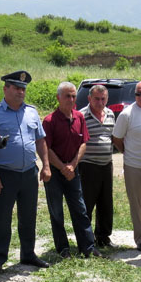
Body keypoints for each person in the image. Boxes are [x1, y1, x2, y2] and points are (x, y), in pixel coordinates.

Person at [0, 70, 51, 274]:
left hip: (29, 172)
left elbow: (40, 140)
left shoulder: (31, 112)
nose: (21, 92)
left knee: (28, 216)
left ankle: (28, 254)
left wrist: (45, 165)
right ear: (5, 89)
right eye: (17, 88)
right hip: (4, 174)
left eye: (23, 89)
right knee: (2, 218)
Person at [43, 82, 101, 259]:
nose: (71, 99)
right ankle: (63, 249)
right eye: (67, 96)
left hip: (73, 170)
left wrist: (72, 166)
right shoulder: (49, 121)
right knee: (57, 212)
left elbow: (84, 143)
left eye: (74, 96)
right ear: (58, 98)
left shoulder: (79, 117)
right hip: (54, 172)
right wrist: (62, 167)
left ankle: (88, 247)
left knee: (80, 210)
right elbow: (47, 148)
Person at [112, 80, 141, 253]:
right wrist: (127, 152)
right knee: (136, 205)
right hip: (134, 166)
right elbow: (117, 138)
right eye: (138, 93)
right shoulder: (127, 114)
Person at [78, 84, 116, 248]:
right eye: (97, 99)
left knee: (106, 203)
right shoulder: (81, 115)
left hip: (106, 165)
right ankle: (86, 238)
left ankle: (103, 236)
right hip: (88, 165)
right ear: (89, 99)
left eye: (103, 99)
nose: (100, 102)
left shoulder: (110, 113)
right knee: (87, 203)